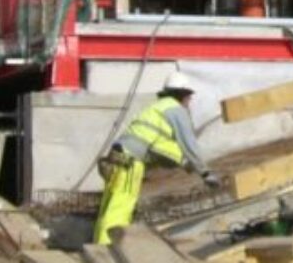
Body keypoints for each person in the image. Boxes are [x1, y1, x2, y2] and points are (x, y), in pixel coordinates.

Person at [93, 71, 219, 244]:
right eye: (189, 96)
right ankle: (108, 252)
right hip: (130, 162)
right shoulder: (176, 110)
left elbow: (156, 144)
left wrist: (182, 162)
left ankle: (98, 248)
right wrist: (205, 173)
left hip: (116, 157)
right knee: (120, 209)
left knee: (108, 207)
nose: (190, 101)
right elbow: (189, 145)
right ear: (183, 94)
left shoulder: (157, 108)